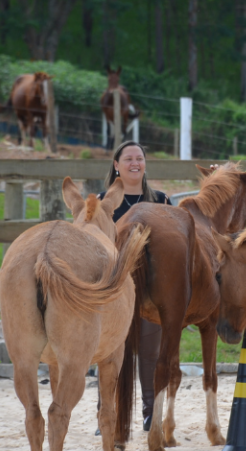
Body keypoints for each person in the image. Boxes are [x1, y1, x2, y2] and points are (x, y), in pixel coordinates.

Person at [98, 140, 171, 432]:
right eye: (128, 158)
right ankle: (106, 413)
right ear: (116, 165)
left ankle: (151, 412)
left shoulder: (162, 200)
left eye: (139, 158)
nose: (134, 163)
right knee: (111, 352)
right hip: (114, 289)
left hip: (150, 291)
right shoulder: (103, 202)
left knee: (150, 353)